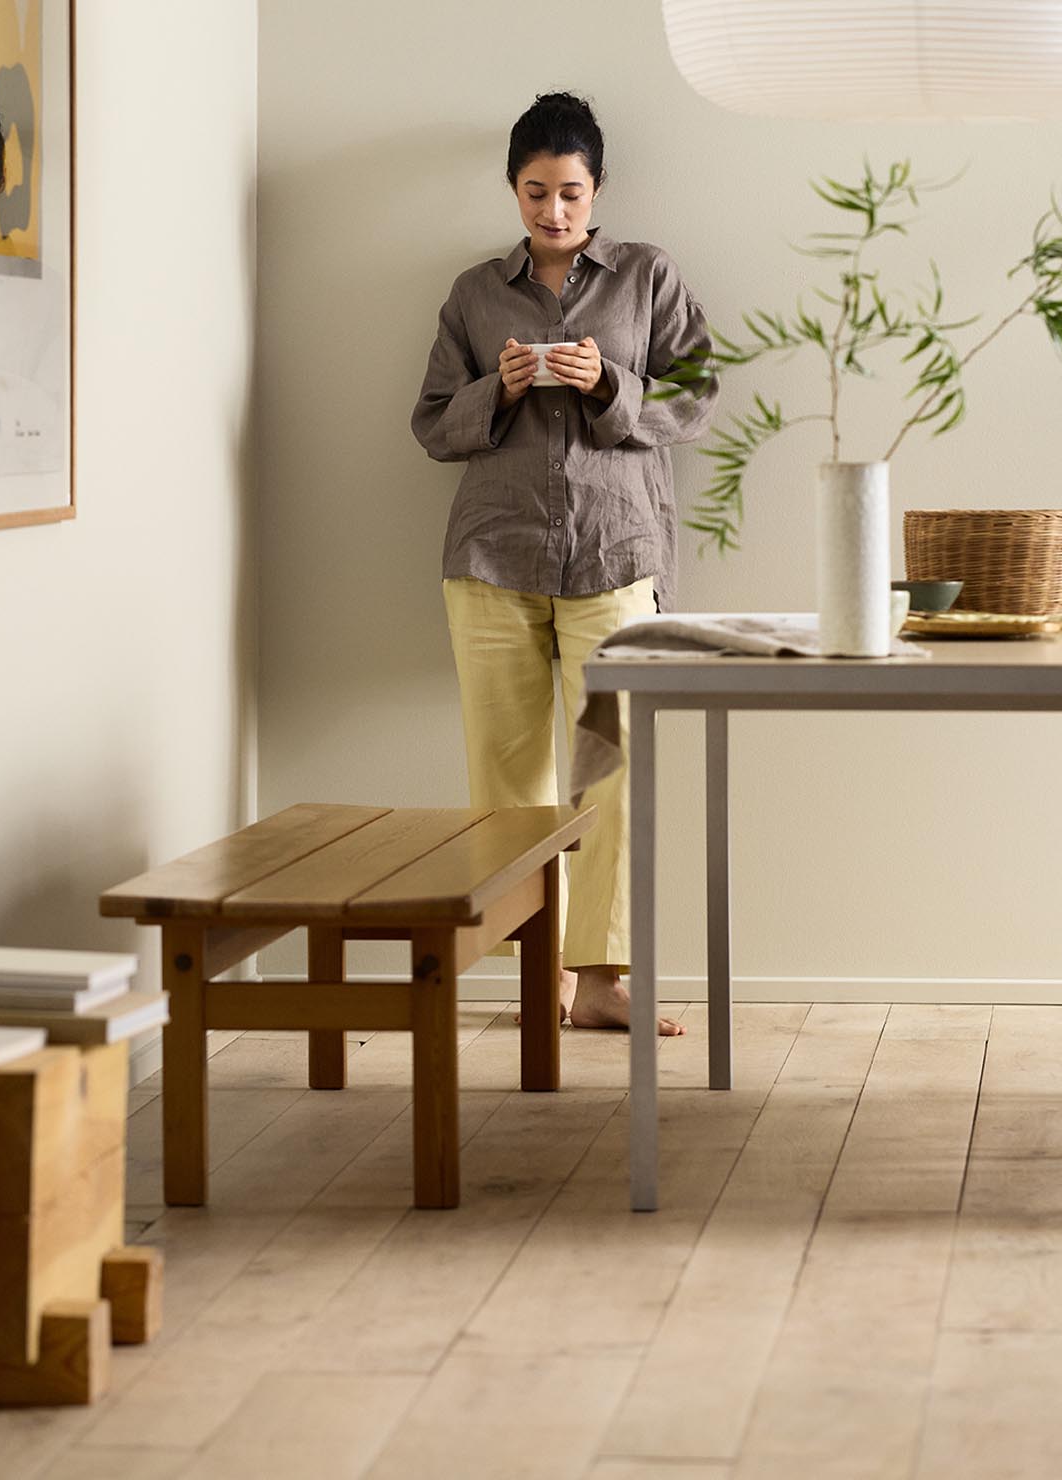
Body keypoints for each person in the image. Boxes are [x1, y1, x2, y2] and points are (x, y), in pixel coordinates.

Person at [411, 91, 719, 1036]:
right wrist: (493, 392)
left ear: (598, 191)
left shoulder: (647, 276)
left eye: (571, 193)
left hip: (616, 553)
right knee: (506, 779)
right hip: (492, 557)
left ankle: (600, 981)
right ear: (514, 190)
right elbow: (430, 424)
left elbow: (700, 392)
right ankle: (534, 976)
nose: (554, 212)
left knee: (611, 769)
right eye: (537, 192)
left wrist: (612, 385)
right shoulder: (473, 293)